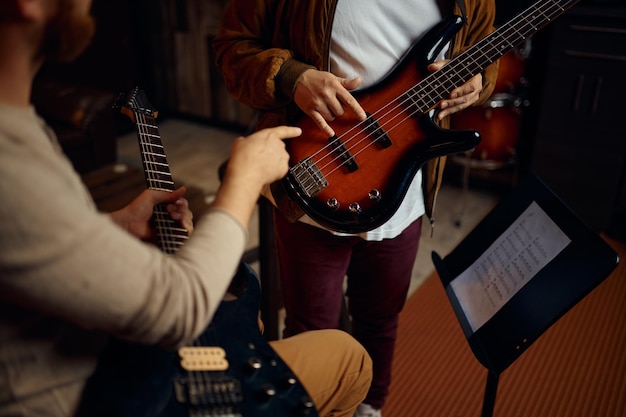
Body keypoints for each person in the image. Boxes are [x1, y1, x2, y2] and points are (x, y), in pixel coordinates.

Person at [0, 1, 373, 416]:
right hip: (100, 394)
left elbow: (28, 238)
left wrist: (109, 227)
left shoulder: (19, 126)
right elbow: (181, 307)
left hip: (100, 360)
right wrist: (244, 180)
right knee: (350, 358)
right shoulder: (9, 163)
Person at [213, 1, 499, 415]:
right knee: (311, 328)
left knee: (381, 320)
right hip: (315, 171)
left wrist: (479, 78)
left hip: (405, 185)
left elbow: (481, 42)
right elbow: (231, 46)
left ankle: (371, 407)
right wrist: (294, 78)